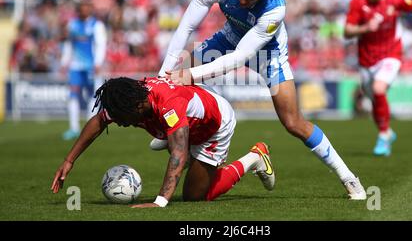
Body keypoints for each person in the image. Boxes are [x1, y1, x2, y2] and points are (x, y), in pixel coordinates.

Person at [156, 0, 366, 199]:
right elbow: (186, 27)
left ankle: (349, 178)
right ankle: (170, 130)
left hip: (268, 54)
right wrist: (164, 74)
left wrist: (189, 75)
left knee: (293, 123)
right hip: (230, 37)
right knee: (180, 72)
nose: (243, 1)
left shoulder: (274, 8)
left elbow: (239, 58)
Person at [51, 77, 276, 207]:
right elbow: (99, 121)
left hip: (213, 125)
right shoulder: (132, 98)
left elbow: (178, 154)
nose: (118, 123)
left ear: (138, 107)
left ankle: (255, 157)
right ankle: (165, 137)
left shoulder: (168, 105)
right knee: (174, 136)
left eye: (121, 118)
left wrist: (160, 201)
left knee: (194, 195)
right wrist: (69, 160)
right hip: (186, 117)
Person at [344, 0, 412, 156]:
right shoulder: (358, 2)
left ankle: (383, 137)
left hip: (391, 54)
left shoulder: (395, 0)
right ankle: (387, 131)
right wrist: (365, 28)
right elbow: (347, 31)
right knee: (375, 100)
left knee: (379, 89)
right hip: (366, 60)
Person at [60, 0, 107, 140]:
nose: (84, 9)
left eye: (87, 7)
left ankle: (89, 127)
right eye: (82, 7)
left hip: (91, 66)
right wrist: (64, 62)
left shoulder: (96, 25)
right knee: (73, 95)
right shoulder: (72, 24)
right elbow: (69, 44)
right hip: (75, 66)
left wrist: (98, 62)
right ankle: (73, 128)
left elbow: (101, 44)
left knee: (93, 95)